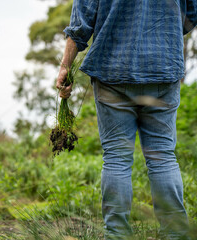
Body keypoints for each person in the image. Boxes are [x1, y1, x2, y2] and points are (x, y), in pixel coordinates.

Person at [56, 0, 197, 239]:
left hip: (112, 70)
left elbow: (81, 24)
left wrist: (65, 67)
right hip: (162, 68)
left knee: (116, 158)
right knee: (162, 156)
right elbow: (191, 12)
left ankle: (117, 234)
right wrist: (165, 32)